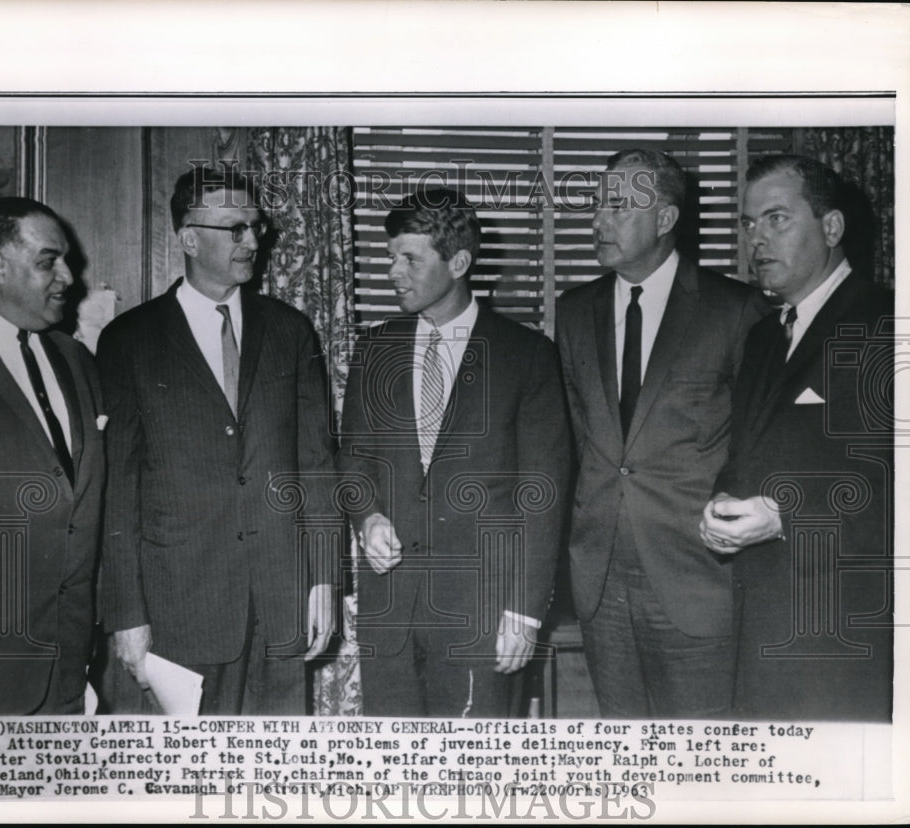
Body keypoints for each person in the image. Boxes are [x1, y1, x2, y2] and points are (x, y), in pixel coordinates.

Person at [96, 169, 337, 715]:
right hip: (179, 608)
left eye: (256, 226)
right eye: (235, 228)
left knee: (273, 781)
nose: (253, 241)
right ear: (188, 237)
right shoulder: (129, 340)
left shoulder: (290, 331)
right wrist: (126, 613)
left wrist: (322, 577)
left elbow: (317, 464)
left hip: (281, 605)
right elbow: (118, 490)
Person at [338, 188, 570, 717]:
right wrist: (367, 515)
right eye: (390, 256)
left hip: (483, 615)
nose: (394, 271)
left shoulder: (527, 355)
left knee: (476, 778)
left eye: (410, 259)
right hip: (392, 612)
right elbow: (353, 460)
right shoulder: (374, 350)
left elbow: (543, 494)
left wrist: (525, 614)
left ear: (459, 262)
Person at [555, 149, 769, 718]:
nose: (599, 220)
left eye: (619, 206)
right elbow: (578, 440)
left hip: (697, 577)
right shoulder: (573, 311)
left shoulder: (736, 310)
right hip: (600, 580)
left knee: (702, 766)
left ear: (666, 219)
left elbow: (756, 447)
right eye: (599, 205)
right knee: (626, 762)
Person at [700, 154, 894, 720]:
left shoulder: (887, 325)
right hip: (761, 631)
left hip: (845, 641)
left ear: (831, 228)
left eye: (777, 218)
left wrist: (786, 514)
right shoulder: (763, 335)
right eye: (748, 224)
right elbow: (750, 454)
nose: (756, 239)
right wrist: (720, 503)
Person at [0, 197, 105, 715]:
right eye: (48, 261)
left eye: (67, 260)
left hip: (69, 673)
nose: (69, 276)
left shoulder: (75, 360)